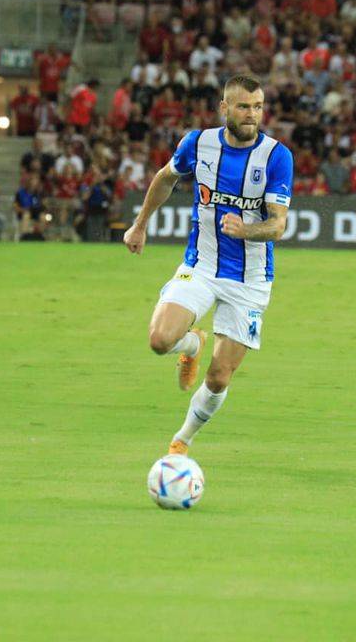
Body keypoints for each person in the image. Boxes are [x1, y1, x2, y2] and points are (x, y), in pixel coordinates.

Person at [123, 74, 294, 458]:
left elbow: (278, 225)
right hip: (201, 265)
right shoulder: (197, 144)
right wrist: (139, 224)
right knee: (159, 340)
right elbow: (166, 178)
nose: (252, 115)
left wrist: (246, 229)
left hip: (249, 280)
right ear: (224, 108)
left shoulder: (276, 156)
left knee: (218, 378)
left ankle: (182, 440)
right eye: (244, 107)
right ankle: (191, 342)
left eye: (258, 107)